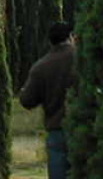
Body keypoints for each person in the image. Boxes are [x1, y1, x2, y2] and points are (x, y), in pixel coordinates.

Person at [19, 21, 77, 179]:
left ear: (50, 41)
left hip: (57, 130)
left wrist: (23, 91)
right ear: (71, 37)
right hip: (82, 126)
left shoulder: (41, 66)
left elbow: (27, 100)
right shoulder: (82, 59)